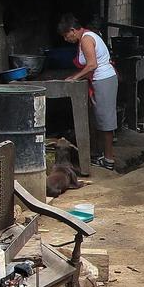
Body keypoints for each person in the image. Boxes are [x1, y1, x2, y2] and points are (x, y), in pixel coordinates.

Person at [58, 13, 118, 171]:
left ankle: (109, 160)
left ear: (72, 30)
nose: (66, 39)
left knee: (106, 120)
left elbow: (92, 65)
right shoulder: (86, 36)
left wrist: (75, 78)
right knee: (102, 118)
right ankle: (105, 156)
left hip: (104, 80)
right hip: (102, 80)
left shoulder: (86, 39)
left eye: (66, 35)